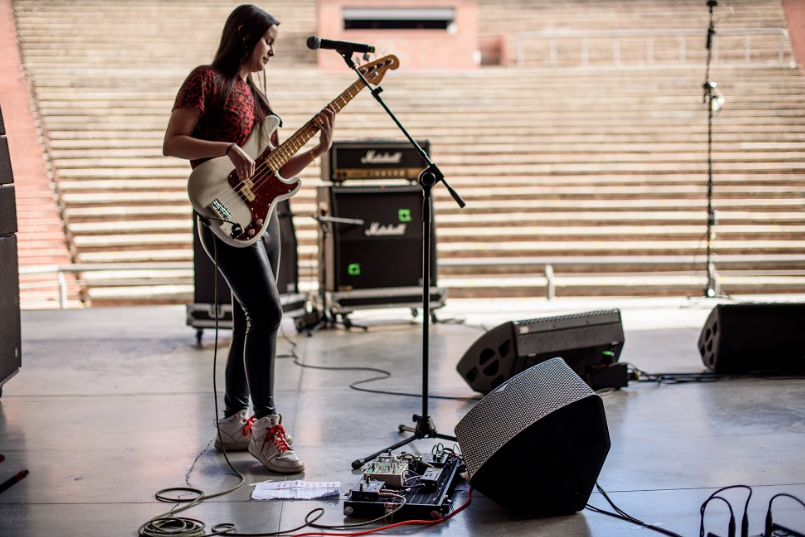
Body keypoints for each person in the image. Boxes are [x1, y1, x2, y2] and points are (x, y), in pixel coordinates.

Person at [163, 4, 335, 473]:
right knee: (268, 312)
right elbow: (173, 142)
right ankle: (266, 428)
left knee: (249, 316)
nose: (273, 52)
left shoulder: (256, 97)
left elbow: (274, 168)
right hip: (222, 214)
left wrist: (318, 149)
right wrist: (226, 148)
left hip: (265, 216)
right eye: (268, 41)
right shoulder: (205, 79)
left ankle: (234, 420)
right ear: (244, 36)